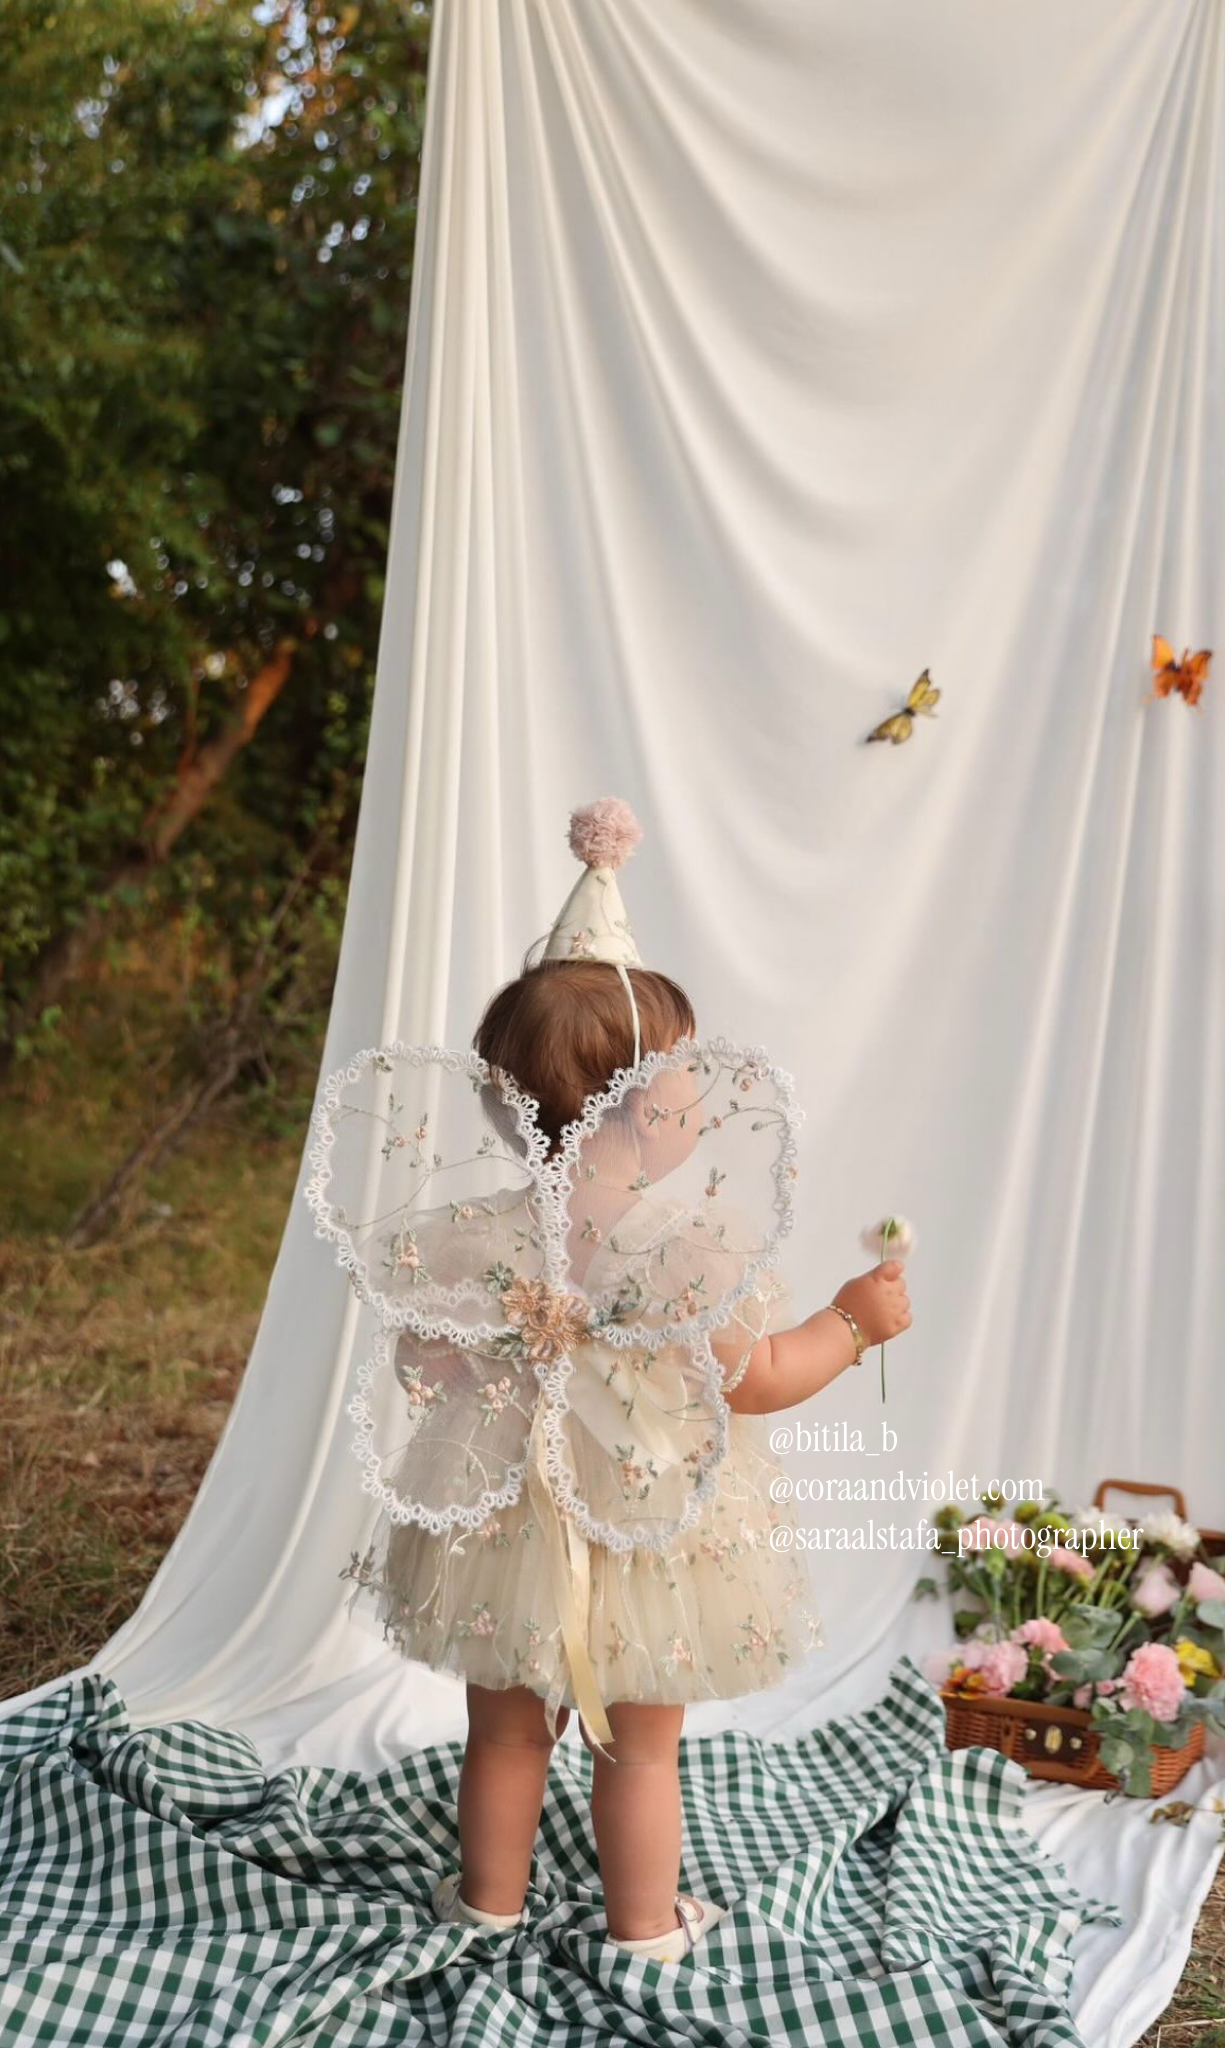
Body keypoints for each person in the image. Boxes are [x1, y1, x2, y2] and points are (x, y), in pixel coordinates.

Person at [307, 798, 911, 1965]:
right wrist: (853, 1319)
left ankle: (487, 1900)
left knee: (504, 1733)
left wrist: (509, 1345)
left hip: (507, 1524)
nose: (698, 1097)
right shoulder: (690, 1251)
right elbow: (759, 1377)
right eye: (682, 1079)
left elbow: (422, 1354)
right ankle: (642, 1927)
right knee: (642, 1747)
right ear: (640, 1109)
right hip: (651, 1531)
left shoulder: (475, 1234)